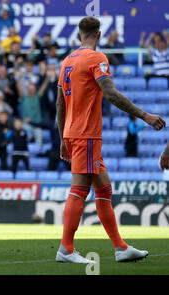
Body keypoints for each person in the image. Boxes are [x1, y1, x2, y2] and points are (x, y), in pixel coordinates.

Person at [55, 16, 166, 264]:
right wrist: (145, 115)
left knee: (104, 189)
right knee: (79, 190)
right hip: (87, 134)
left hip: (74, 133)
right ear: (99, 34)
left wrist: (63, 137)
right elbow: (111, 94)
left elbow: (60, 103)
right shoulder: (97, 58)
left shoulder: (66, 62)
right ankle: (66, 249)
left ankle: (120, 247)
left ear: (78, 35)